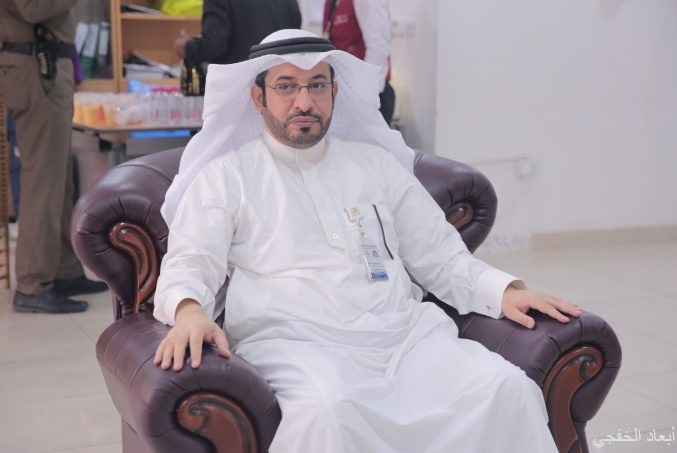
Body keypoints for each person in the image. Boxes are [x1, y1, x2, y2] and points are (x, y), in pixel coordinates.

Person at [152, 29, 581, 452]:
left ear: (335, 92)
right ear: (258, 97)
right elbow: (191, 261)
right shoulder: (226, 177)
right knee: (329, 410)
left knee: (504, 387)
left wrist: (504, 292)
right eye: (286, 86)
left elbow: (440, 255)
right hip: (295, 346)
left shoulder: (377, 165)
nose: (304, 102)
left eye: (317, 85)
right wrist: (189, 312)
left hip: (405, 339)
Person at [0, 0, 107, 314]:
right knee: (44, 180)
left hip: (47, 64)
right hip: (36, 66)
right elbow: (30, 9)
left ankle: (63, 271)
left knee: (59, 179)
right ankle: (33, 283)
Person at [323, 0, 395, 125]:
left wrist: (366, 96)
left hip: (367, 96)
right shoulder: (331, 3)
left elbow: (378, 48)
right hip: (346, 93)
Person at [172, 0, 302, 65]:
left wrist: (187, 47)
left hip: (239, 89)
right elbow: (294, 40)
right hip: (279, 88)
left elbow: (214, 46)